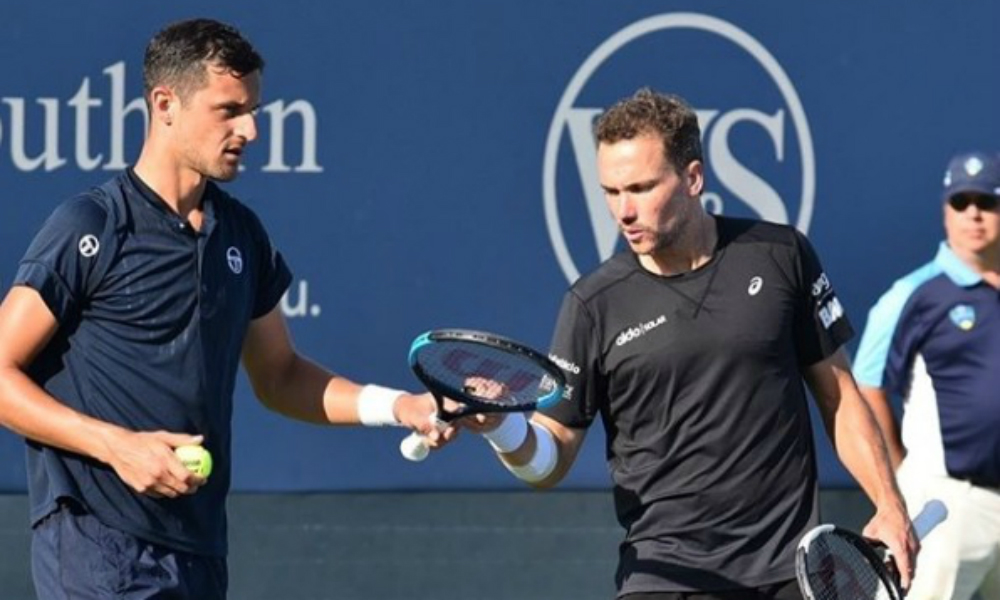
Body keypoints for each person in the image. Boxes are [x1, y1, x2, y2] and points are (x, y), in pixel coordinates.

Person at [0, 18, 449, 599]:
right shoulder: (91, 226)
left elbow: (281, 375)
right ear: (165, 104)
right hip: (97, 541)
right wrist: (116, 445)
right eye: (229, 110)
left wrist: (401, 406)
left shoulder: (242, 234)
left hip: (199, 550)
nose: (251, 129)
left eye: (255, 110)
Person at [466, 88, 918, 599]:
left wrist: (889, 504)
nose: (624, 211)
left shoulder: (780, 254)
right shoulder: (593, 303)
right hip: (665, 575)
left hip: (787, 572)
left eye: (639, 188)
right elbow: (549, 460)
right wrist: (501, 428)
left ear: (693, 178)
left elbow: (838, 395)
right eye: (611, 192)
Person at [853, 151, 1000, 600]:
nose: (973, 213)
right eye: (961, 202)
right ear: (946, 211)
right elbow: (866, 385)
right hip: (949, 500)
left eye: (987, 201)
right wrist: (901, 475)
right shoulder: (914, 295)